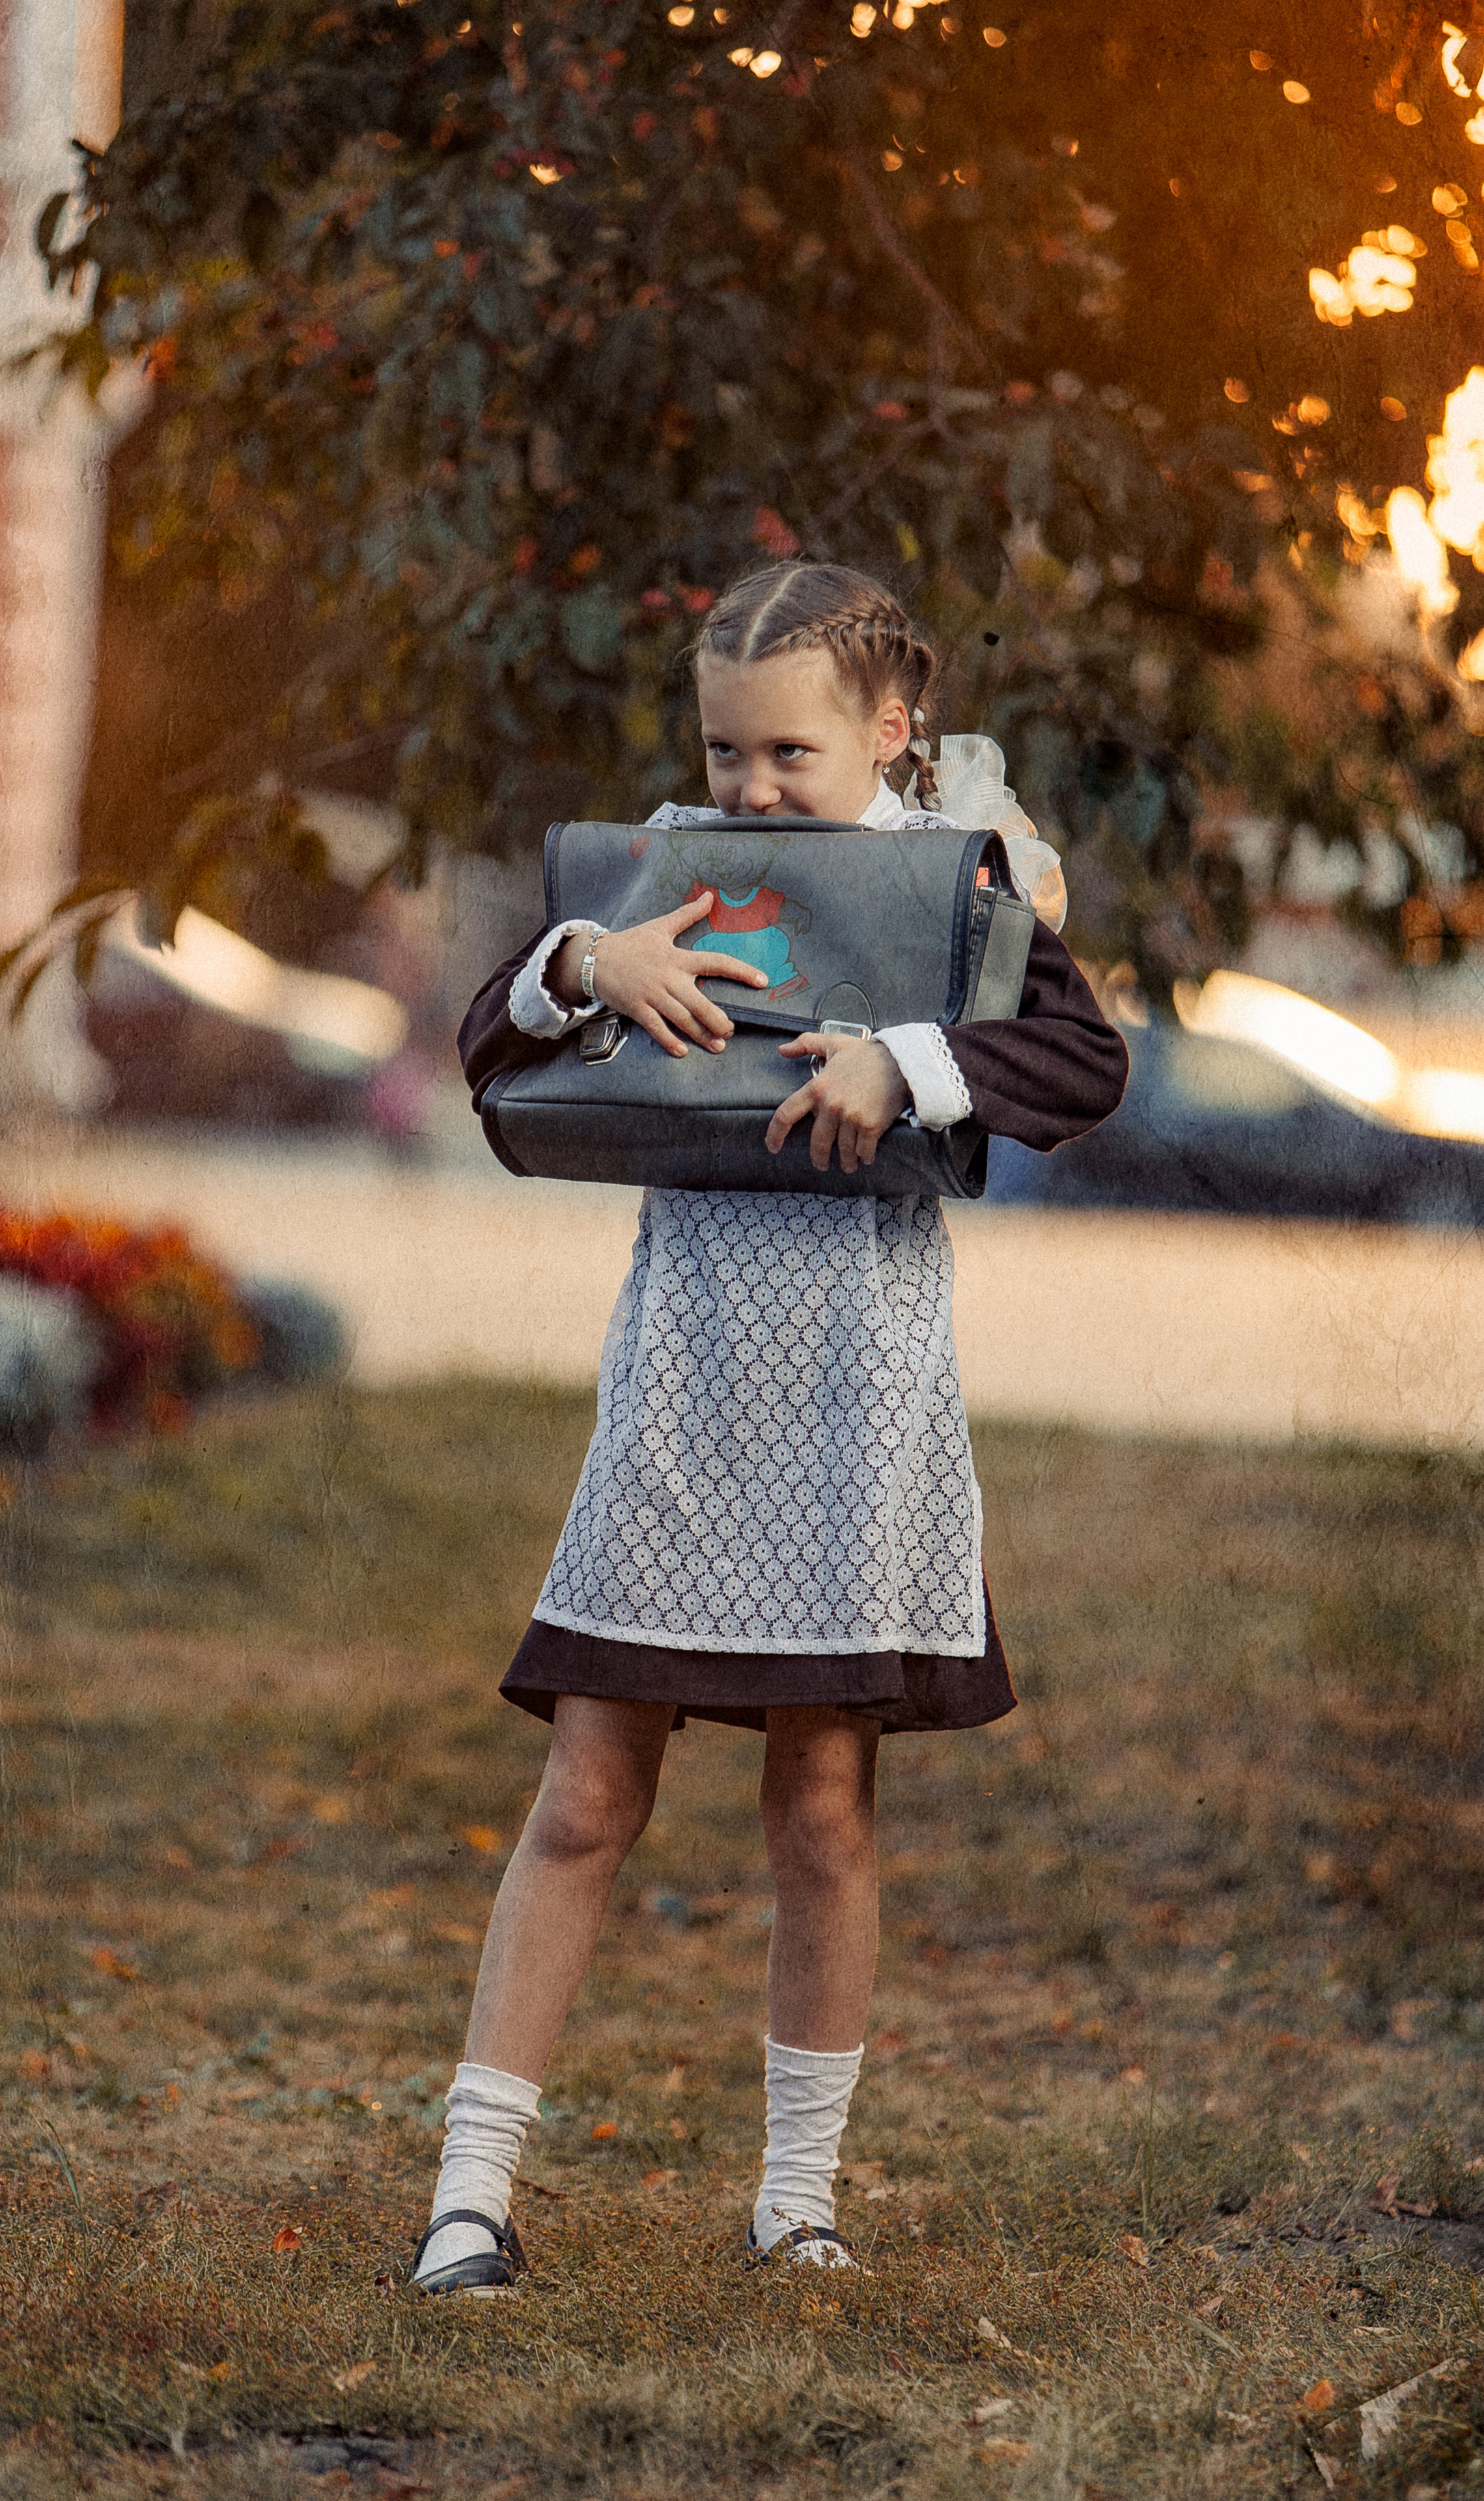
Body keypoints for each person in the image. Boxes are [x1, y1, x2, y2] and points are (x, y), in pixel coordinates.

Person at [413, 561, 1128, 2296]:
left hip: (853, 1401)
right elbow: (491, 1048)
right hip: (684, 1375)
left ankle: (797, 2206)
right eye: (727, 751)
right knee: (588, 1787)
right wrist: (591, 956)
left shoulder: (975, 876)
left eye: (789, 755)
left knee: (823, 1807)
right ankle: (467, 2198)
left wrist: (909, 1060)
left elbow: (1084, 1064)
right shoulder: (675, 857)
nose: (749, 790)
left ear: (892, 731)